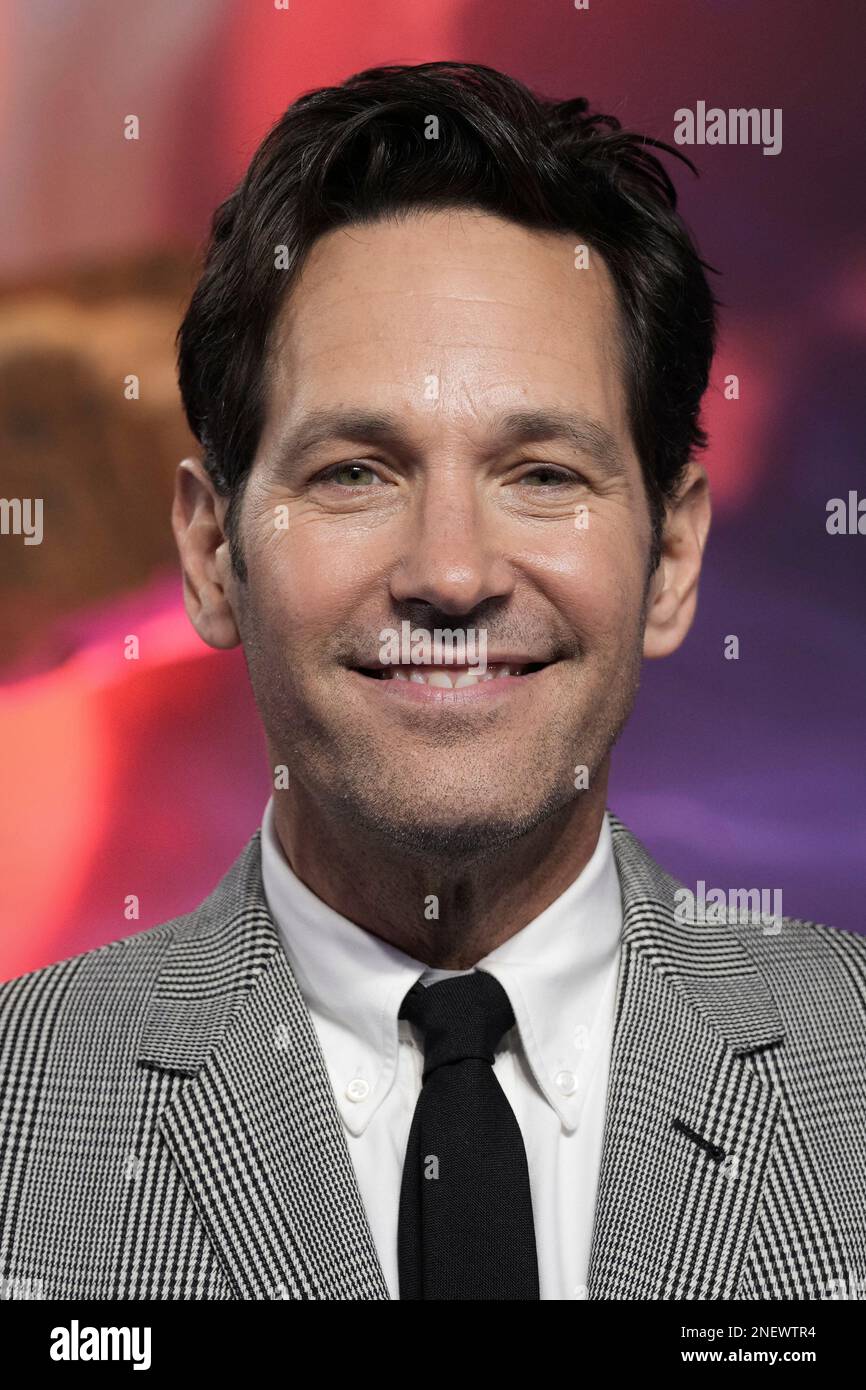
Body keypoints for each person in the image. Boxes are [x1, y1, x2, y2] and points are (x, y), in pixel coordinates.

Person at [1, 61, 863, 1302]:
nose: (449, 571)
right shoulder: (33, 1113)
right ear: (207, 555)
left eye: (541, 473)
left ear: (674, 554)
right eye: (353, 472)